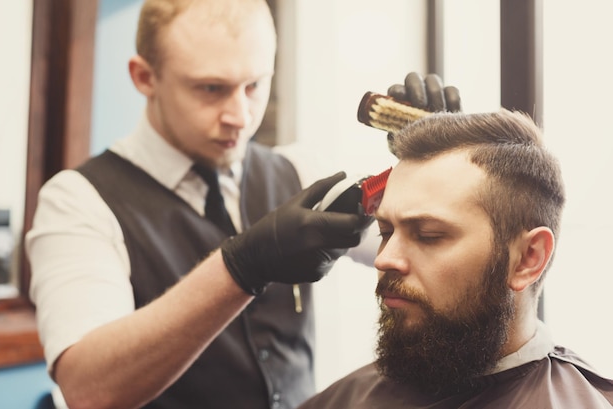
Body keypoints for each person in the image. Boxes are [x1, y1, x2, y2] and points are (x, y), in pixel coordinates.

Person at [25, 0, 459, 408]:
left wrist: (434, 163)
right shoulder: (78, 202)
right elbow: (88, 389)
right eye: (210, 89)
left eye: (254, 85)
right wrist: (242, 265)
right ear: (144, 77)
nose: (239, 115)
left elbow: (423, 252)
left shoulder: (299, 171)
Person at [297, 109, 613, 408]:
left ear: (528, 259)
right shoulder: (345, 399)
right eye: (385, 232)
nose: (385, 260)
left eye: (429, 236)